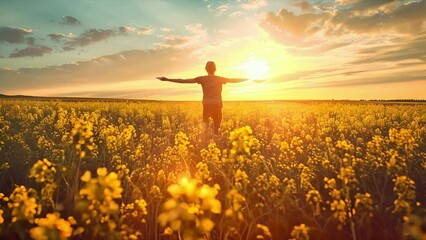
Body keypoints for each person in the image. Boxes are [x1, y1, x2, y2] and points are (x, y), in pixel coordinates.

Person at [157, 61, 253, 135]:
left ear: (206, 69)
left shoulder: (202, 79)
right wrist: (249, 78)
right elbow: (235, 80)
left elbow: (183, 81)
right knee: (217, 128)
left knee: (205, 128)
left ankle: (206, 144)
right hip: (217, 106)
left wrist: (167, 79)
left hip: (207, 105)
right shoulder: (220, 79)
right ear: (215, 69)